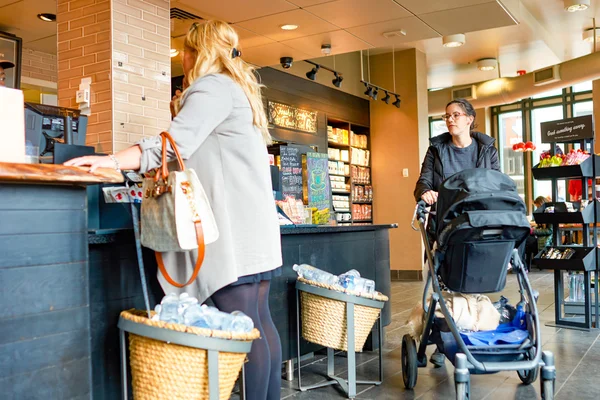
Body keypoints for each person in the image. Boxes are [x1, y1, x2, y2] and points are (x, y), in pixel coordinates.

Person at [65, 20, 283, 400]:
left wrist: (112, 161)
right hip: (254, 233)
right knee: (259, 324)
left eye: (184, 50)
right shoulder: (238, 91)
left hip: (232, 236)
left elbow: (172, 144)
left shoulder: (212, 86)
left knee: (244, 330)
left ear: (194, 52)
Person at [413, 98, 500, 367]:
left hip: (477, 224)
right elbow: (423, 180)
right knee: (441, 281)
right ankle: (442, 339)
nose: (451, 119)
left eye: (457, 115)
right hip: (443, 225)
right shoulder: (437, 149)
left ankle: (472, 329)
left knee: (470, 279)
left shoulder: (487, 149)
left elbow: (496, 182)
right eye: (447, 115)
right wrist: (425, 192)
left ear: (470, 119)